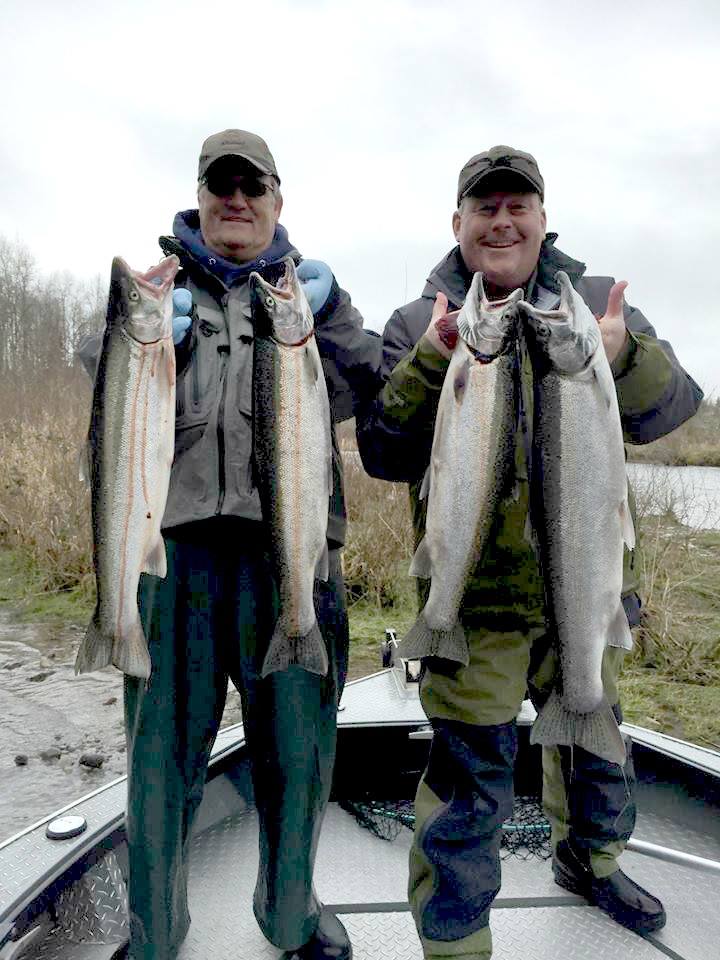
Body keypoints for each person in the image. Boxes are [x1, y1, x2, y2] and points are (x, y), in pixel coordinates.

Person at [357, 145, 704, 960]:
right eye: (486, 207)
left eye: (519, 206)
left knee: (597, 746)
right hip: (475, 606)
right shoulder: (422, 320)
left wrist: (624, 356)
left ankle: (593, 863)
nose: (503, 220)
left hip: (583, 589)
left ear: (544, 219)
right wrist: (430, 360)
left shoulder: (594, 309)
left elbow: (674, 408)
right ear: (459, 223)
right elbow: (381, 448)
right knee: (469, 780)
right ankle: (455, 937)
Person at [80, 129, 380, 960]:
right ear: (200, 198)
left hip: (290, 559)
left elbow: (373, 391)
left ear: (278, 202)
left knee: (296, 758)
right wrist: (141, 333)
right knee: (159, 764)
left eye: (252, 187)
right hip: (170, 561)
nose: (236, 200)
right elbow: (97, 382)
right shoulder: (153, 291)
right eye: (221, 186)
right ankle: (153, 936)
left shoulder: (314, 298)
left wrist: (331, 319)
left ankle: (291, 921)